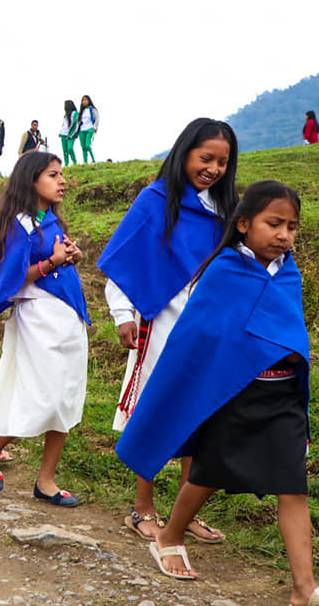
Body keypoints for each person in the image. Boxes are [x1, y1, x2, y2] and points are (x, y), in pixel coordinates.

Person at [116, 182, 319, 606]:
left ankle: (304, 587)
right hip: (233, 393)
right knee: (208, 473)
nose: (283, 235)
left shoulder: (288, 272)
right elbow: (203, 336)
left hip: (283, 397)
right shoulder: (224, 271)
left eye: (292, 227)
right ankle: (169, 534)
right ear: (243, 224)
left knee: (293, 486)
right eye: (273, 224)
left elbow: (291, 329)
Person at [97, 117, 239, 543]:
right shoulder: (155, 200)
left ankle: (184, 513)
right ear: (185, 154)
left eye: (222, 162)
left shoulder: (226, 212)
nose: (213, 168)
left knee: (198, 413)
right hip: (159, 322)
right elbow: (123, 262)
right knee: (156, 408)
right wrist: (123, 315)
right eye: (206, 157)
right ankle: (142, 508)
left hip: (206, 330)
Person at [0, 151, 89, 501]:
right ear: (31, 179)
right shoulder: (19, 224)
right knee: (45, 396)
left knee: (66, 399)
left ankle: (46, 481)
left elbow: (57, 261)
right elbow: (12, 277)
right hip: (38, 317)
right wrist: (52, 263)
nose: (62, 181)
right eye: (53, 175)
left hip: (69, 315)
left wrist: (70, 257)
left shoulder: (50, 219)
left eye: (61, 175)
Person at [77, 95, 99, 163]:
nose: (84, 101)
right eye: (83, 100)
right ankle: (85, 162)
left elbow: (97, 119)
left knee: (87, 145)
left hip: (90, 128)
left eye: (86, 100)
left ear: (89, 101)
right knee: (83, 147)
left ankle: (93, 159)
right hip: (82, 130)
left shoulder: (93, 109)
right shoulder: (81, 111)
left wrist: (94, 128)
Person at [59, 100, 80, 166]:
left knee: (70, 148)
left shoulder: (76, 113)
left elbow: (76, 125)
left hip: (71, 135)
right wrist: (60, 132)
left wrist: (71, 135)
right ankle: (66, 164)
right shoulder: (65, 115)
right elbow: (64, 124)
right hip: (63, 134)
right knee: (65, 150)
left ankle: (75, 163)